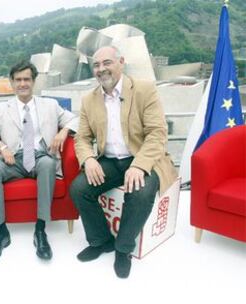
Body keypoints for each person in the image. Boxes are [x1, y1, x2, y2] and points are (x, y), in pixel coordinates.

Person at [70, 46, 177, 278]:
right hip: (109, 161)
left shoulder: (144, 89)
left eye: (106, 63)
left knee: (139, 193)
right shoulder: (89, 99)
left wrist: (139, 165)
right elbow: (82, 138)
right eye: (96, 65)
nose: (101, 69)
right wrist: (88, 158)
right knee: (79, 189)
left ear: (121, 62)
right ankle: (101, 240)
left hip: (141, 157)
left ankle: (123, 249)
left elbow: (157, 133)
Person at [0, 61, 78, 263]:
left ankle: (40, 230)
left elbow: (77, 120)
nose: (23, 83)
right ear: (12, 83)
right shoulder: (1, 109)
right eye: (18, 80)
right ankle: (1, 232)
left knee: (48, 164)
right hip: (13, 159)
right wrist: (1, 147)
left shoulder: (50, 105)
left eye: (27, 79)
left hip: (41, 157)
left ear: (33, 82)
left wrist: (64, 130)